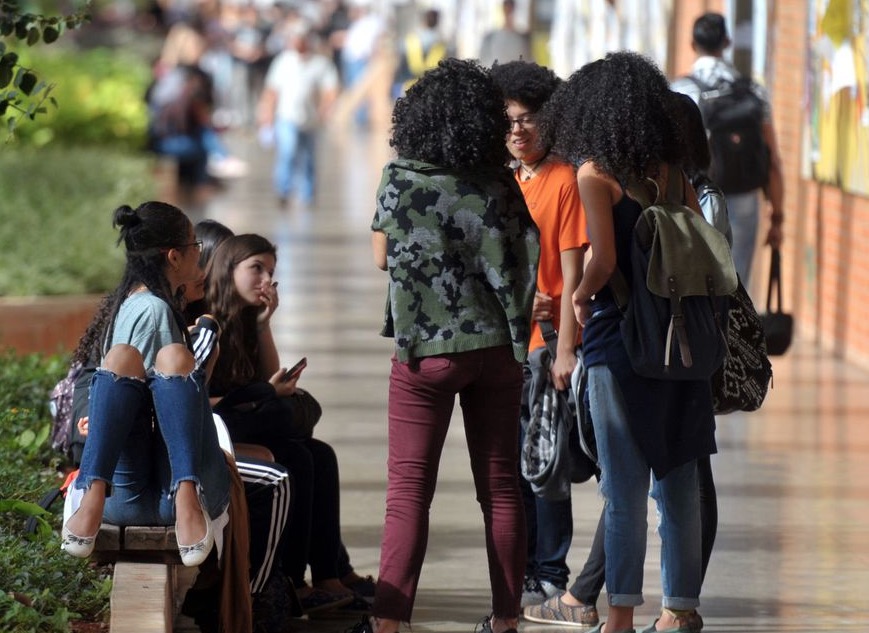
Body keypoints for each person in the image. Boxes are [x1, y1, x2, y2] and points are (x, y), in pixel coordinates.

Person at [524, 90, 726, 633]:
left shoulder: (595, 172)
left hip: (623, 342)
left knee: (624, 488)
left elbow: (606, 258)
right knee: (681, 479)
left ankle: (618, 617)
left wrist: (580, 295)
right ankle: (680, 610)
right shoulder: (670, 171)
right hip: (680, 339)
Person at [353, 57, 540, 633]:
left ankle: (391, 621)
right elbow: (520, 260)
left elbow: (383, 258)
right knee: (501, 487)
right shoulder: (498, 182)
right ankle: (507, 617)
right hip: (494, 348)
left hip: (424, 354)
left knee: (409, 490)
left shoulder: (400, 178)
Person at [60, 201, 231, 572]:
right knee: (171, 360)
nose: (199, 257)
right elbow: (161, 413)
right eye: (194, 247)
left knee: (131, 357)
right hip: (159, 486)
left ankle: (93, 496)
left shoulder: (131, 302)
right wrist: (202, 363)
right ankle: (183, 492)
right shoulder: (154, 312)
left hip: (124, 497)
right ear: (174, 256)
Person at [204, 233, 369, 616]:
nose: (266, 280)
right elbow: (196, 398)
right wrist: (264, 393)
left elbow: (268, 376)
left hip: (243, 422)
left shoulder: (245, 321)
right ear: (228, 271)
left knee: (320, 454)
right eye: (255, 269)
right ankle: (293, 582)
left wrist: (264, 324)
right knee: (296, 454)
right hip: (218, 429)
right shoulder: (208, 323)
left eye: (271, 272)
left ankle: (328, 575)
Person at [488, 59, 588, 610]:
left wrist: (566, 349)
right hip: (500, 346)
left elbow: (573, 274)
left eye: (527, 119)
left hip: (544, 345)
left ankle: (550, 569)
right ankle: (523, 568)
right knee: (508, 465)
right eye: (508, 122)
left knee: (545, 464)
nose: (518, 131)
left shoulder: (566, 179)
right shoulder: (498, 181)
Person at [670, 11, 784, 285]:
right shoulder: (753, 92)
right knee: (737, 278)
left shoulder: (680, 90)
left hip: (694, 196)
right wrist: (777, 217)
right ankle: (730, 327)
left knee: (695, 281)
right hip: (743, 195)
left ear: (692, 45)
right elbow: (773, 160)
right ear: (727, 42)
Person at [257, 21, 340, 209]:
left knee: (309, 157)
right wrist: (267, 115)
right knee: (288, 152)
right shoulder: (283, 61)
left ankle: (308, 193)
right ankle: (283, 190)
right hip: (287, 117)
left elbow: (330, 88)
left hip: (310, 120)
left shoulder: (320, 63)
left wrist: (325, 108)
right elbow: (271, 91)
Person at [391, 8, 448, 99]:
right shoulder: (442, 45)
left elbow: (396, 64)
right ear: (438, 22)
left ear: (424, 21)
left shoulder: (410, 40)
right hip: (431, 91)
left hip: (407, 88)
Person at [478, 0, 532, 68]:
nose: (508, 12)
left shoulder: (523, 39)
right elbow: (483, 60)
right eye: (507, 9)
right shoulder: (490, 37)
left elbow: (529, 61)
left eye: (510, 9)